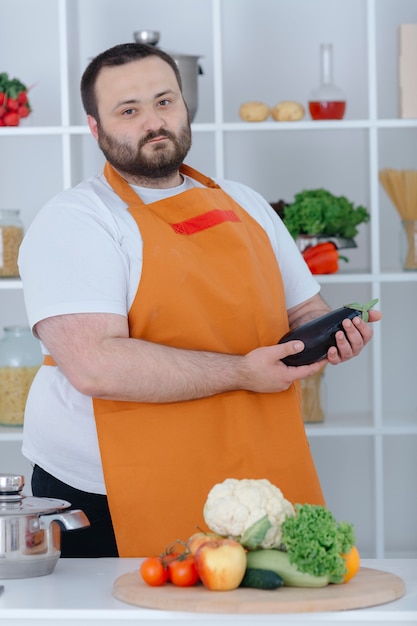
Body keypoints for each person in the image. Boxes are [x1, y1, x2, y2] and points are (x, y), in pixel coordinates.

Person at [18, 43, 381, 558]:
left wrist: (333, 335)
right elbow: (95, 366)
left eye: (165, 101)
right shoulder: (77, 220)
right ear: (95, 128)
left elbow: (305, 313)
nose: (153, 121)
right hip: (110, 492)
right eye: (129, 109)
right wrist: (241, 372)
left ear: (185, 107)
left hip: (247, 480)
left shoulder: (244, 202)